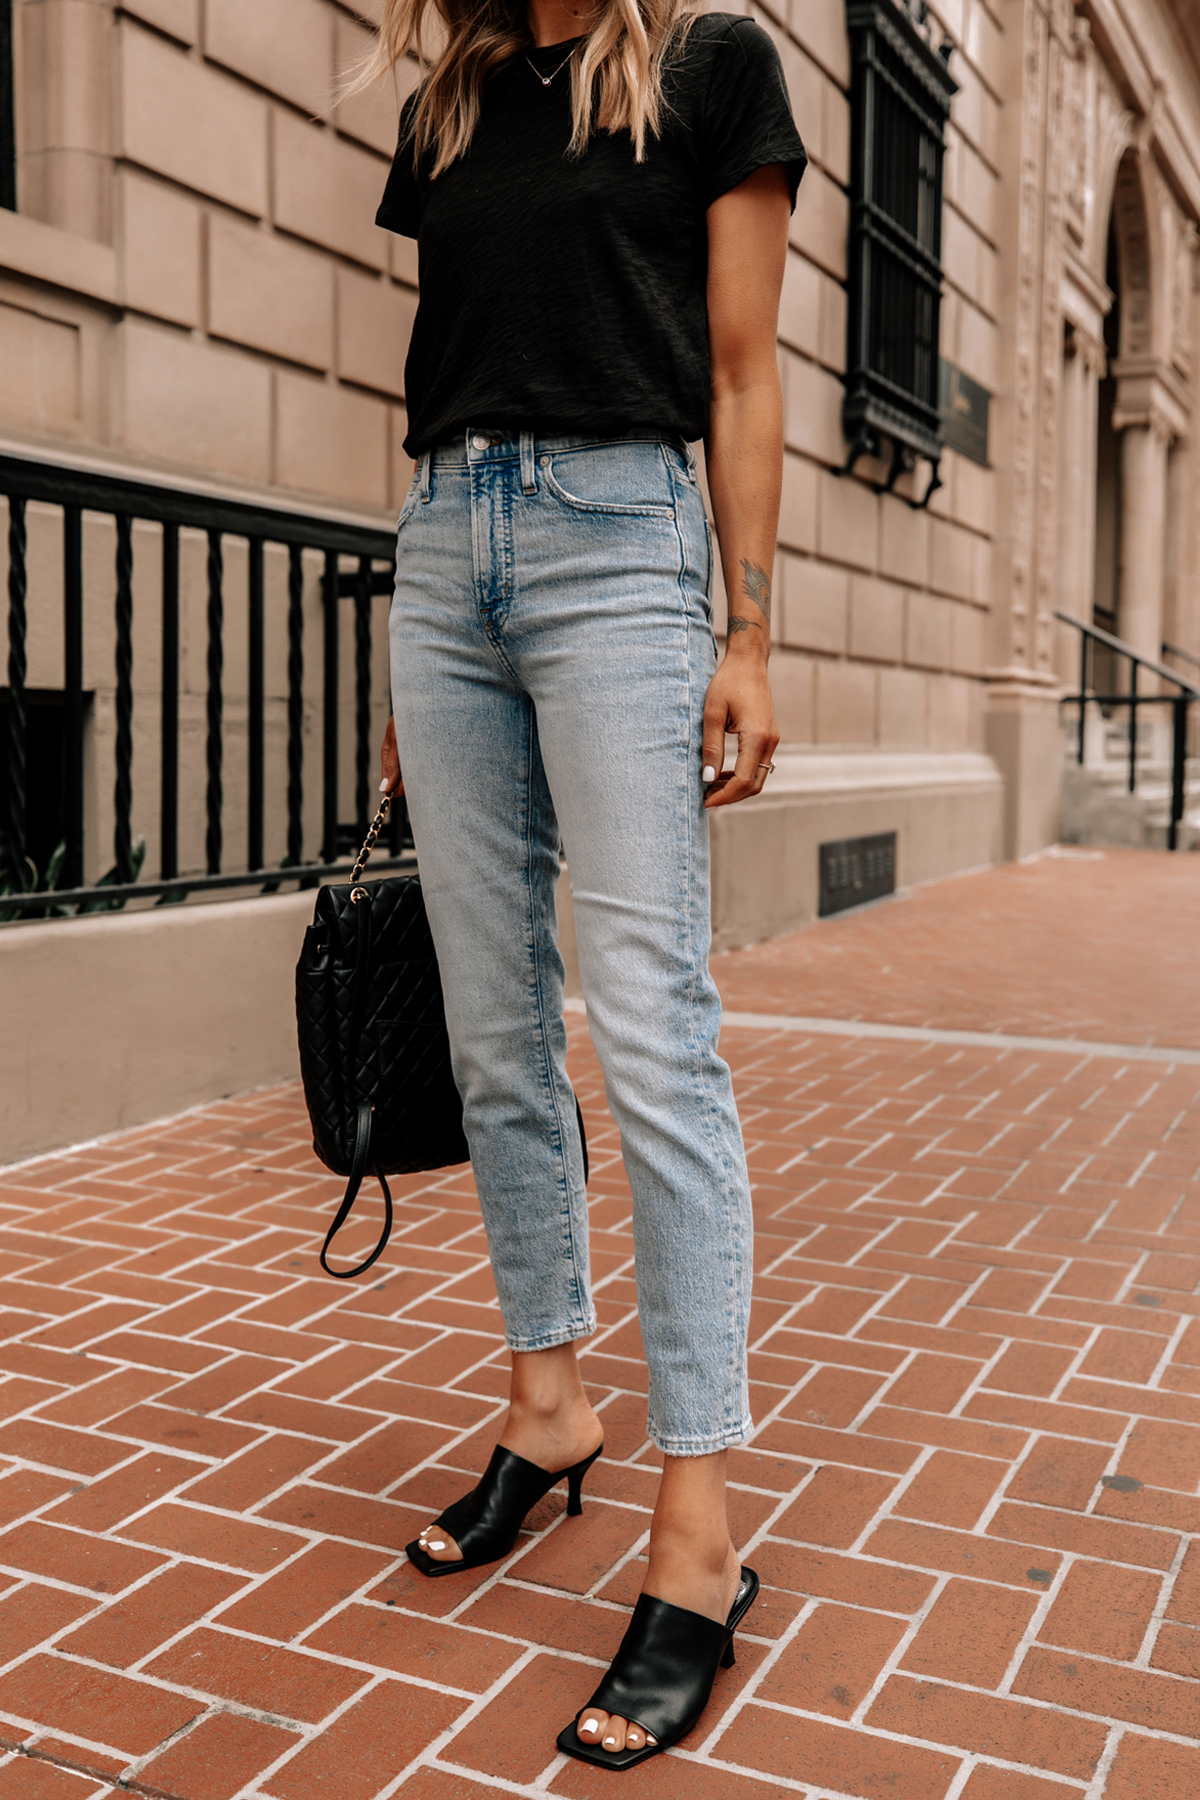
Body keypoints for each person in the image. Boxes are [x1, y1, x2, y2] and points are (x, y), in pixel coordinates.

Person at [367, 0, 805, 1768]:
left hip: (623, 548)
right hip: (440, 557)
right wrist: (401, 661)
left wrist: (753, 635)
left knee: (656, 1039)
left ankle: (696, 1542)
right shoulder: (456, 101)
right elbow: (432, 364)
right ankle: (548, 1410)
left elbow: (747, 367)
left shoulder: (714, 64)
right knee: (491, 1038)